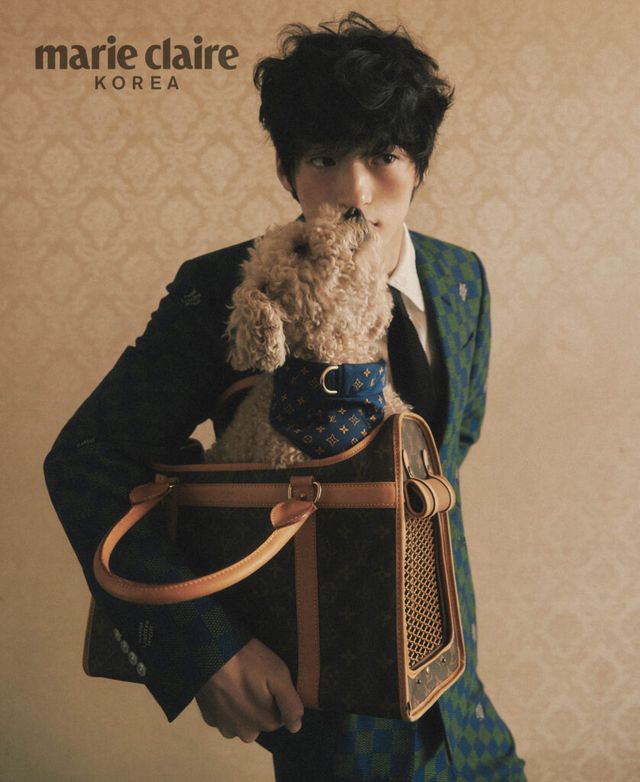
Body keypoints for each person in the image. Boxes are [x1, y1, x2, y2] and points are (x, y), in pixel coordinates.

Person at [44, 12, 526, 782]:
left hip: (462, 697)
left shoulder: (461, 278)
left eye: (384, 156)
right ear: (287, 171)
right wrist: (208, 649)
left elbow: (450, 454)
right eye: (325, 158)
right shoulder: (227, 287)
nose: (355, 191)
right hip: (323, 709)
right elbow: (88, 459)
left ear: (419, 165)